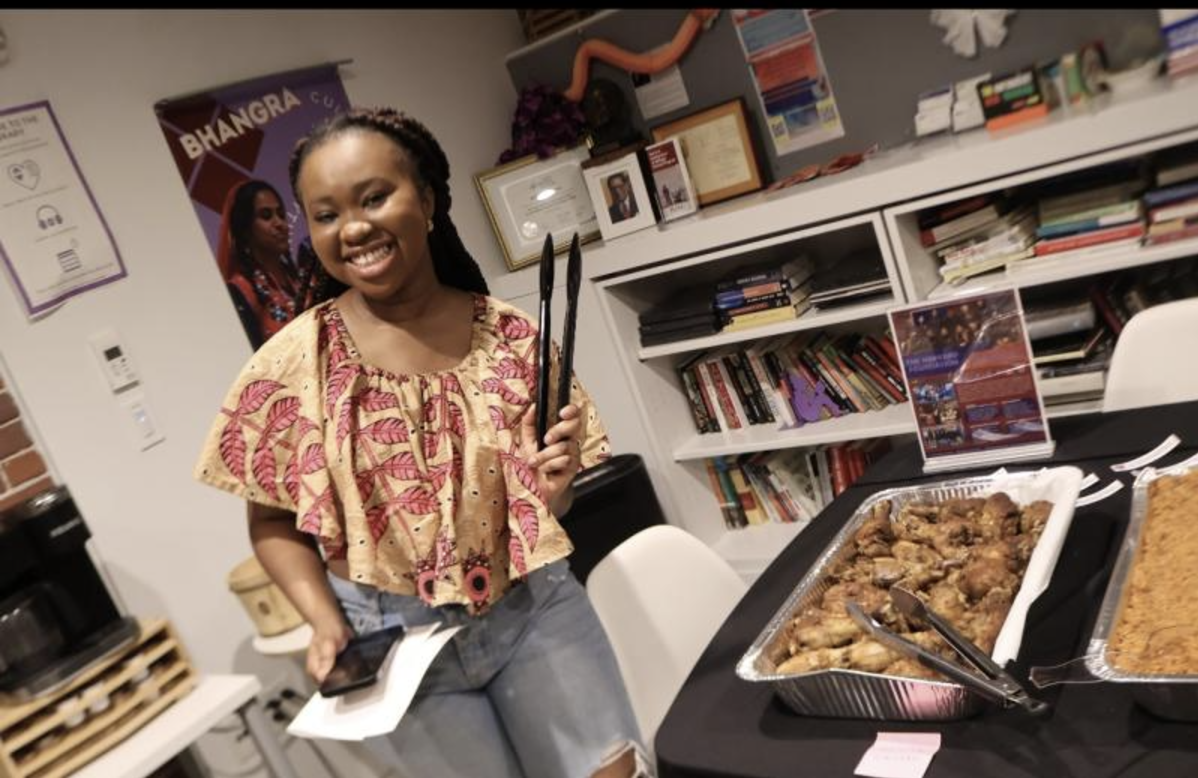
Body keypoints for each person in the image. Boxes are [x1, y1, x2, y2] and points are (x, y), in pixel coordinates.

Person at [194, 107, 649, 778]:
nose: (352, 227)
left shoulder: (512, 339)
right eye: (324, 215)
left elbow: (548, 511)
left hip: (532, 609)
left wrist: (552, 494)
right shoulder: (293, 367)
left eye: (374, 197)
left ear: (428, 199)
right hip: (392, 641)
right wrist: (324, 623)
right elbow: (270, 521)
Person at [215, 179, 331, 349]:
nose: (280, 224)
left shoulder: (305, 276)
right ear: (245, 229)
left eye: (281, 214)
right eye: (266, 216)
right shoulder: (242, 291)